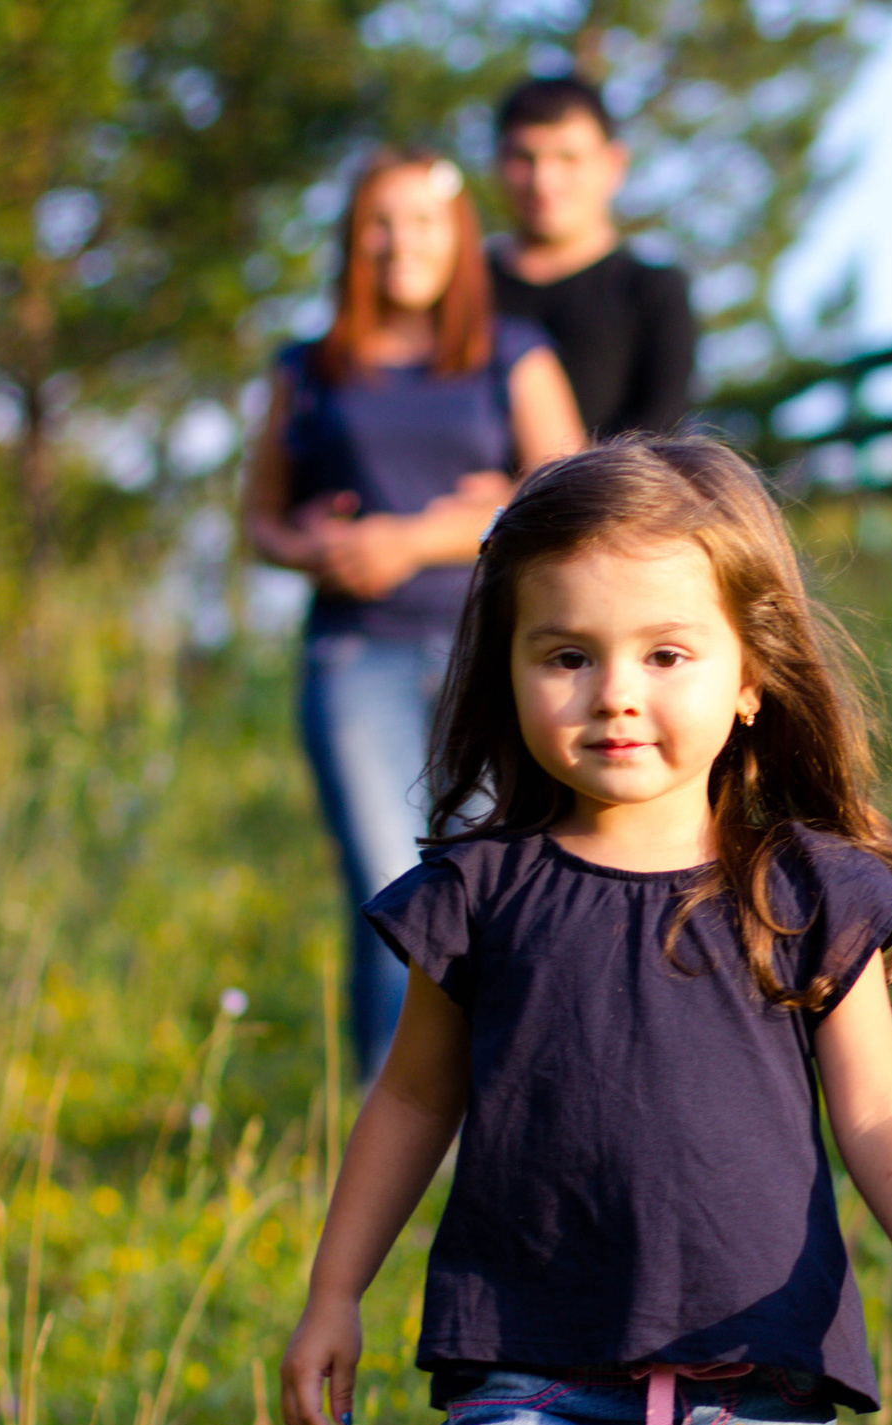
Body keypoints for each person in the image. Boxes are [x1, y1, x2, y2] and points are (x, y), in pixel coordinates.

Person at [277, 437, 892, 1425]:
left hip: (756, 1406)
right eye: (566, 655)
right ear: (506, 670)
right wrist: (333, 1293)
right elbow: (411, 1099)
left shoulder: (800, 892)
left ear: (750, 678)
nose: (615, 693)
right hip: (528, 1398)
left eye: (666, 655)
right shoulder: (477, 896)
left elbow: (883, 1107)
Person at [244, 148, 584, 1081]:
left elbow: (569, 490)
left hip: (494, 655)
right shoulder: (307, 369)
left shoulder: (512, 353)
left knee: (495, 882)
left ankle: (506, 1108)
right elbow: (260, 522)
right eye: (380, 224)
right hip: (357, 656)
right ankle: (390, 1123)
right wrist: (312, 546)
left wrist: (427, 536)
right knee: (392, 892)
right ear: (353, 241)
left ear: (459, 237)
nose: (402, 242)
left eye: (424, 221)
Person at [490, 76, 699, 439]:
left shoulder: (652, 292)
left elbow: (661, 439)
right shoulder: (464, 289)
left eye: (568, 158)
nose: (544, 180)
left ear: (614, 163)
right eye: (525, 158)